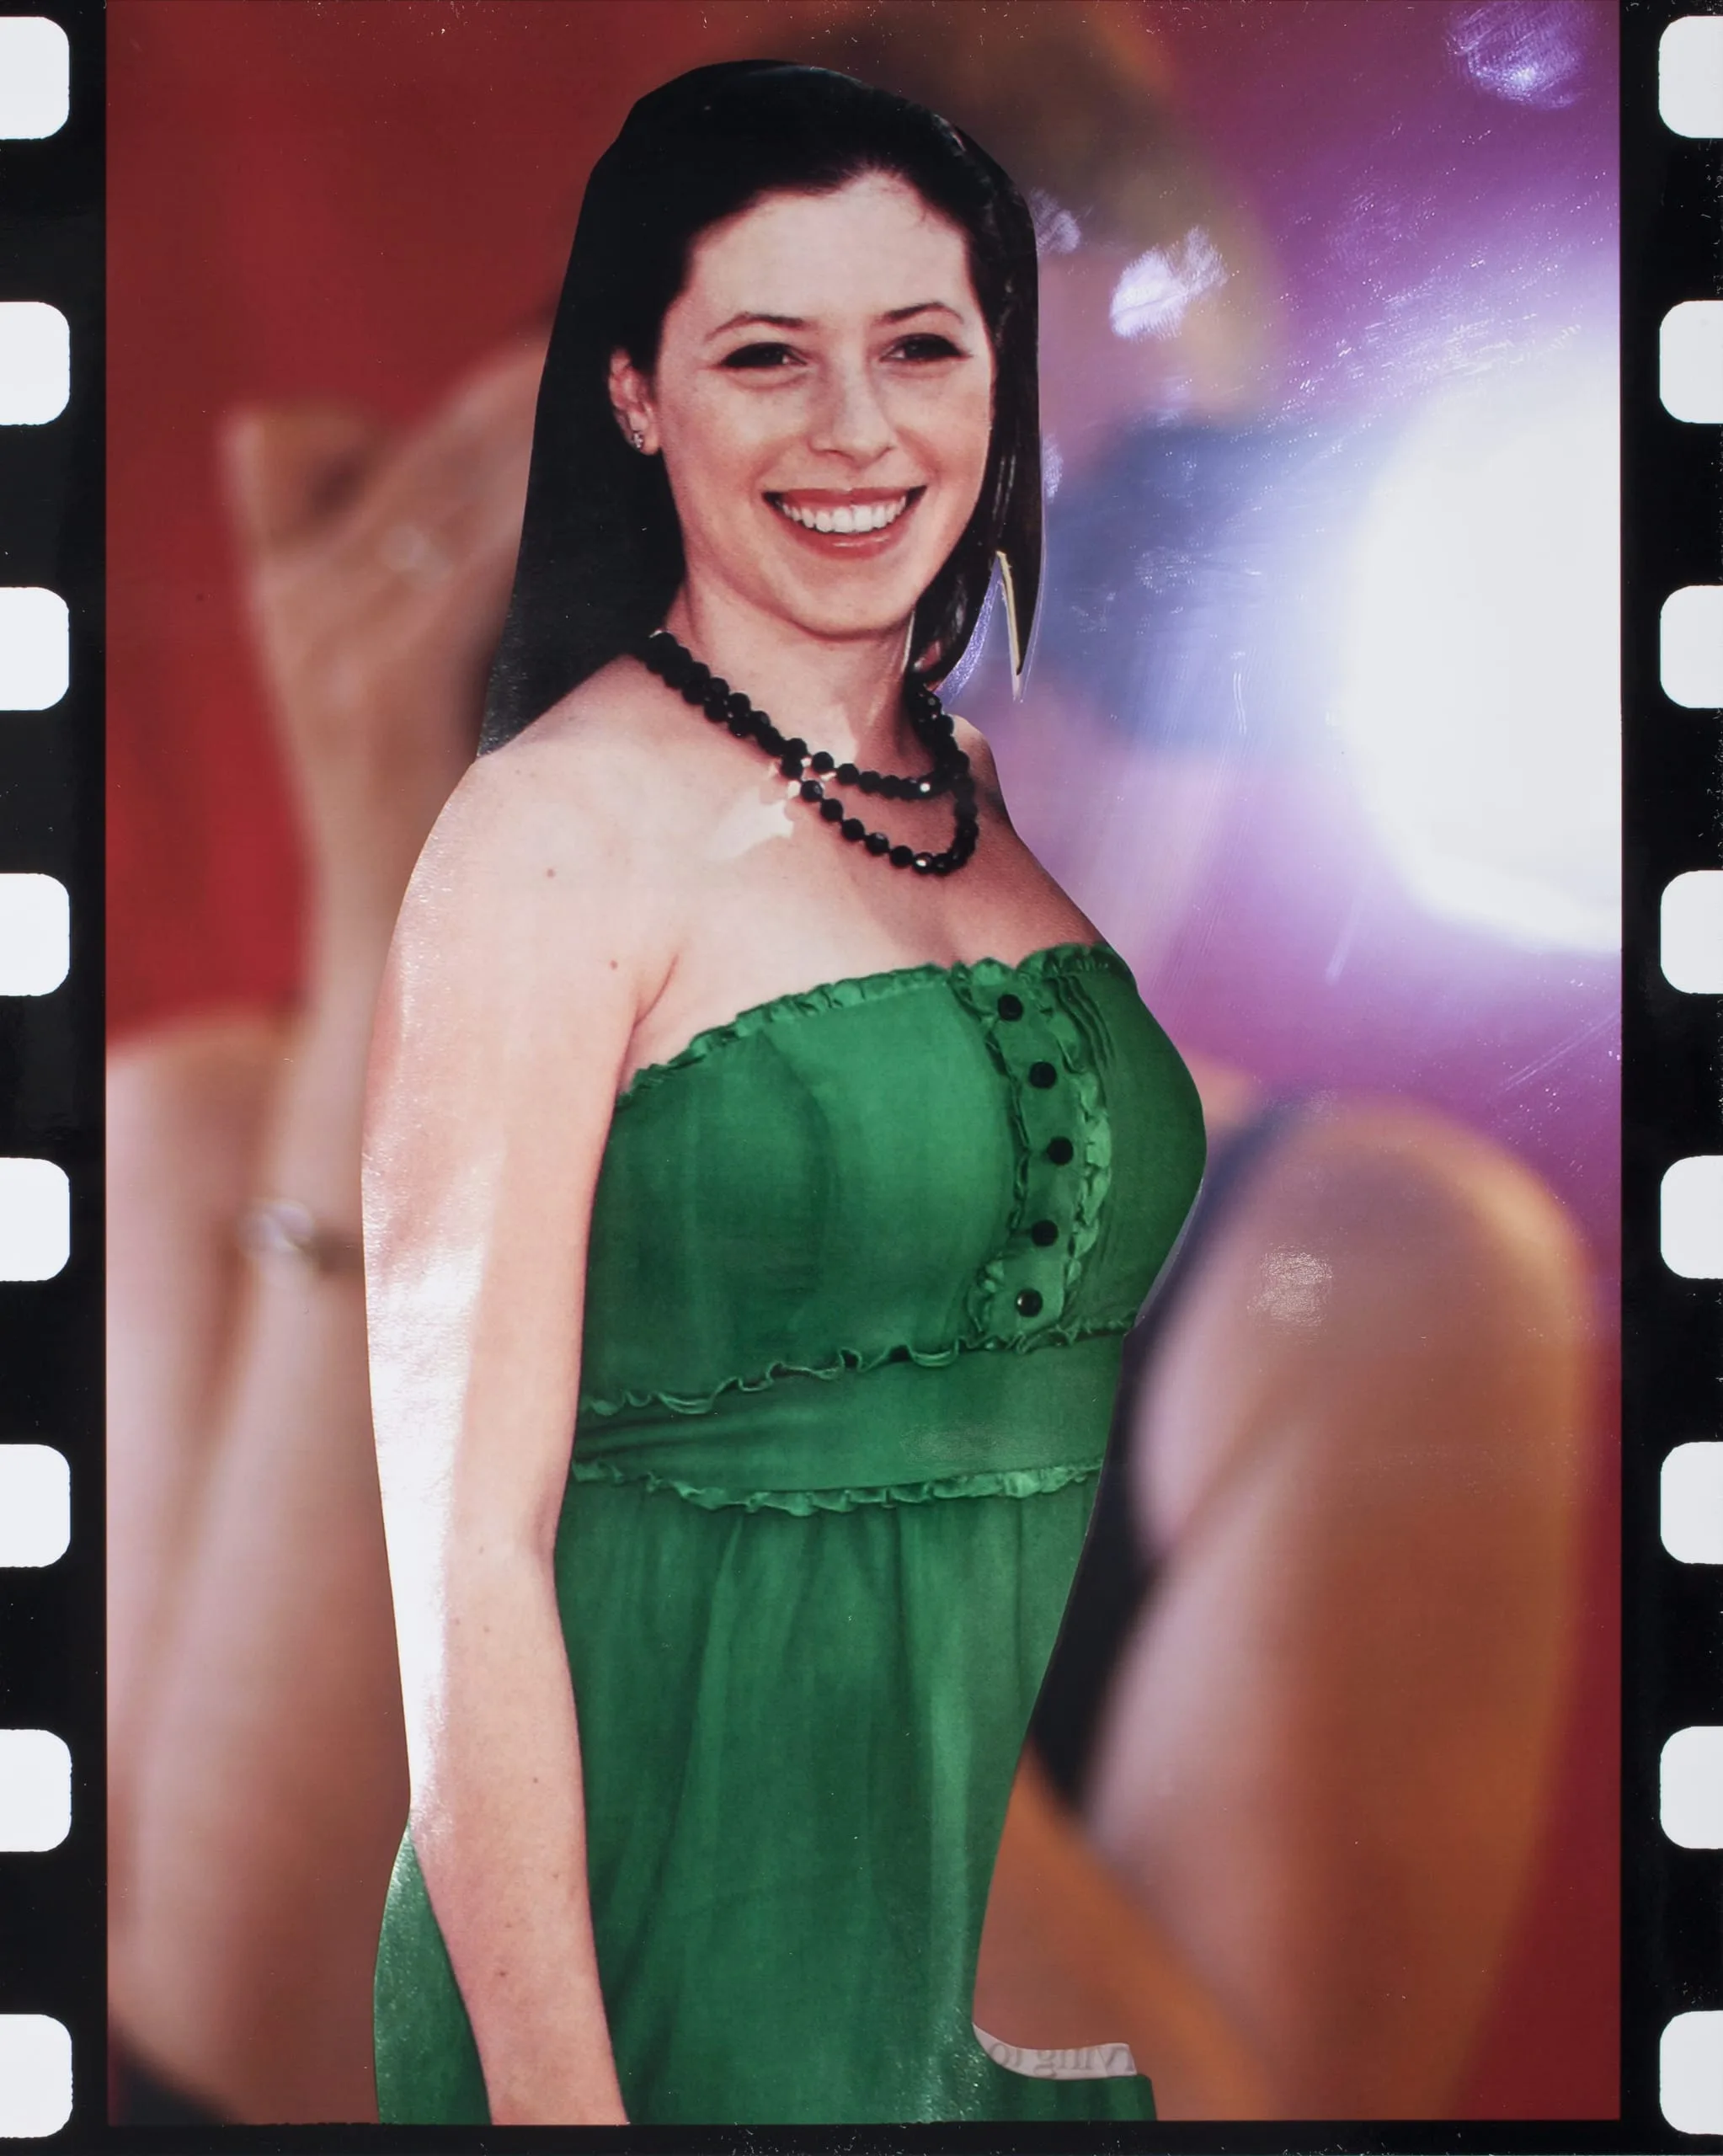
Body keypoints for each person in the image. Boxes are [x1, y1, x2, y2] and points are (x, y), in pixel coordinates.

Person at [360, 59, 1216, 2125]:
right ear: (635, 394)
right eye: (767, 355)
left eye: (920, 347)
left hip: (957, 1994)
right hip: (650, 1985)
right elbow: (468, 1562)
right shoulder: (550, 830)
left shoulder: (969, 794)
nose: (857, 430)